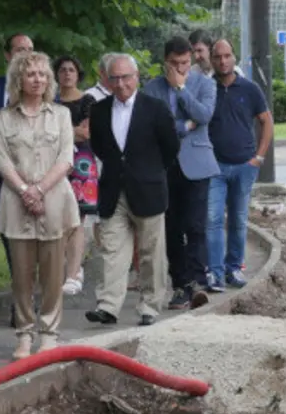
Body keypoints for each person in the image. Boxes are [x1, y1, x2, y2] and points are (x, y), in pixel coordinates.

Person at [0, 52, 81, 359]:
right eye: (31, 74)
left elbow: (66, 158)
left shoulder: (60, 115)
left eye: (43, 74)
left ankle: (49, 332)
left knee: (53, 273)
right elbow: (2, 160)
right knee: (21, 274)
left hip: (54, 200)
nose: (38, 79)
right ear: (19, 79)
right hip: (16, 203)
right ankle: (24, 334)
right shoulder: (4, 117)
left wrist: (40, 190)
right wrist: (25, 191)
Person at [84, 53, 179, 327]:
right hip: (114, 190)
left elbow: (171, 148)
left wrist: (150, 170)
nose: (121, 83)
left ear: (136, 78)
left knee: (151, 252)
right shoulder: (99, 111)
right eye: (114, 78)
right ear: (107, 80)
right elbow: (101, 148)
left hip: (148, 189)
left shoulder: (156, 108)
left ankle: (150, 306)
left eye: (126, 77)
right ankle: (108, 306)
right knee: (112, 250)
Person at [144, 36, 218, 309]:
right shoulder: (151, 89)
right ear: (165, 62)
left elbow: (204, 115)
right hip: (165, 166)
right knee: (171, 229)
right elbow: (156, 125)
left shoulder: (205, 84)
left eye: (185, 63)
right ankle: (181, 285)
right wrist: (185, 125)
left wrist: (182, 89)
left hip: (197, 165)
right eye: (174, 64)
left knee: (196, 226)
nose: (180, 69)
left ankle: (199, 281)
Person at [205, 38, 272, 292]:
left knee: (238, 219)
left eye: (227, 56)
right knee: (212, 219)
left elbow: (266, 121)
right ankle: (214, 272)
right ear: (211, 60)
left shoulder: (250, 89)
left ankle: (234, 268)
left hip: (245, 166)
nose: (223, 61)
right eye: (218, 57)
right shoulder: (206, 89)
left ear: (234, 58)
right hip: (214, 168)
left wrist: (259, 158)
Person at [0, 33, 35, 286]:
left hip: (34, 179)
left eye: (29, 50)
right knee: (8, 237)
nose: (25, 55)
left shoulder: (42, 90)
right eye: (19, 50)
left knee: (32, 239)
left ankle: (28, 295)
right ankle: (21, 295)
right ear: (7, 55)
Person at [54, 54, 96, 296]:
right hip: (56, 162)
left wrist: (61, 130)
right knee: (58, 219)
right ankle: (64, 269)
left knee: (77, 218)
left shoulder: (88, 100)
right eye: (62, 70)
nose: (67, 74)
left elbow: (87, 133)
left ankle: (74, 271)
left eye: (71, 70)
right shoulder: (51, 101)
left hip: (81, 163)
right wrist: (72, 130)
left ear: (78, 74)